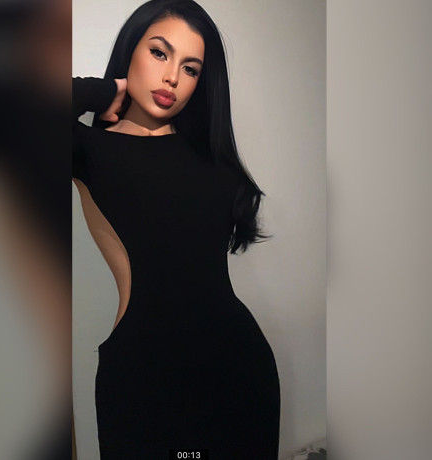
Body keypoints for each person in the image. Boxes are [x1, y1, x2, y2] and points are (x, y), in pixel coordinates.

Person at [72, 0, 280, 458]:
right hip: (143, 380)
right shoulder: (87, 149)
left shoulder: (212, 159)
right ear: (130, 50)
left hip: (240, 373)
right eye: (159, 52)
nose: (172, 78)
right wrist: (102, 90)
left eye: (190, 68)